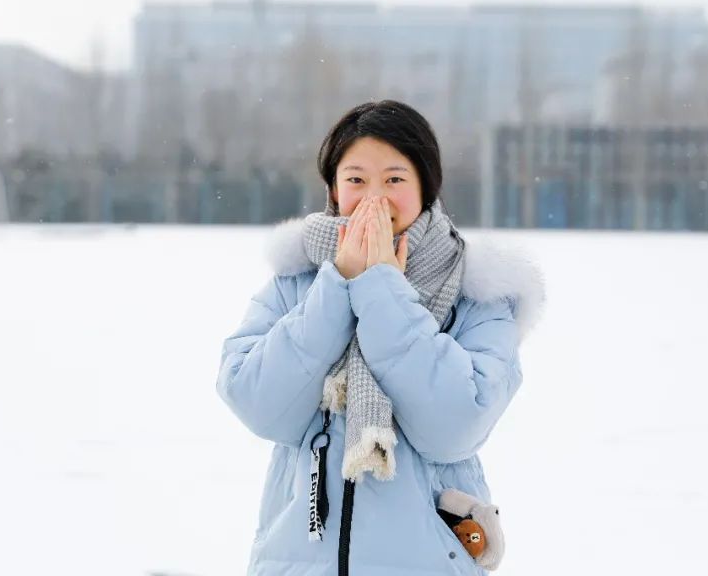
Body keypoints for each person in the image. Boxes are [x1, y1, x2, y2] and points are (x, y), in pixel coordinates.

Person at [217, 100, 544, 575]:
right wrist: (335, 287)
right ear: (332, 188)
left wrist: (381, 292)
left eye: (394, 179)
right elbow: (256, 400)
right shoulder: (296, 283)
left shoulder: (478, 295)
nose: (374, 198)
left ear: (425, 187)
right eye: (355, 180)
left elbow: (455, 426)